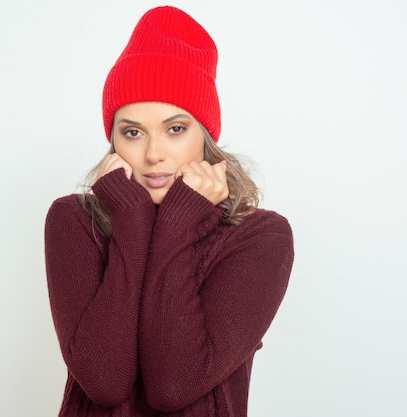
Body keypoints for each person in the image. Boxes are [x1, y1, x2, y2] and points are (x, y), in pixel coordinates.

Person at [44, 6, 294, 417]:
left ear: (205, 135)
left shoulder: (260, 236)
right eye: (132, 132)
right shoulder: (75, 221)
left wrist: (178, 219)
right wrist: (131, 219)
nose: (153, 154)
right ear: (114, 141)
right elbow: (105, 383)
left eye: (175, 129)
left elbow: (173, 386)